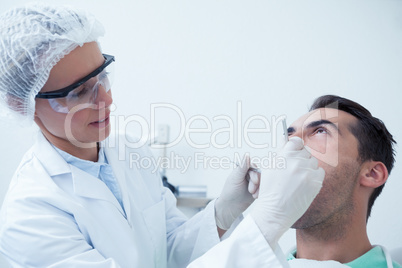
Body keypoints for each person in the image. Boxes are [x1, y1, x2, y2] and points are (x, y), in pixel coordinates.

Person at [0, 3, 264, 267]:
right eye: (79, 91)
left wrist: (224, 211)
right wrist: (268, 225)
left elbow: (170, 248)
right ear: (22, 104)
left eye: (102, 75)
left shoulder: (130, 150)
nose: (106, 98)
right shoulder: (31, 213)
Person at [190, 95, 400, 267]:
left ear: (372, 174)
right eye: (288, 136)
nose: (292, 146)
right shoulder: (247, 259)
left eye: (320, 132)